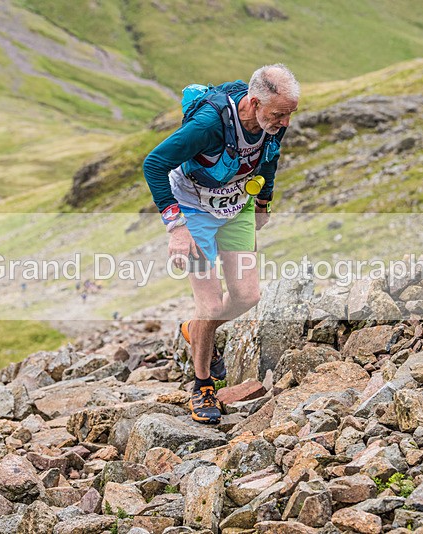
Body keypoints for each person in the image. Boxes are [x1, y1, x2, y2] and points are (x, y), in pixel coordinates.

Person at [143, 64, 299, 424]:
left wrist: (263, 203)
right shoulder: (209, 125)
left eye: (291, 114)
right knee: (210, 305)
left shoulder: (271, 122)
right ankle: (202, 385)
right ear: (254, 102)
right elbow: (154, 164)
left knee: (248, 296)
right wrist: (176, 227)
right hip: (193, 210)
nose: (286, 123)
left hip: (236, 207)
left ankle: (195, 329)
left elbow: (269, 160)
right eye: (279, 114)